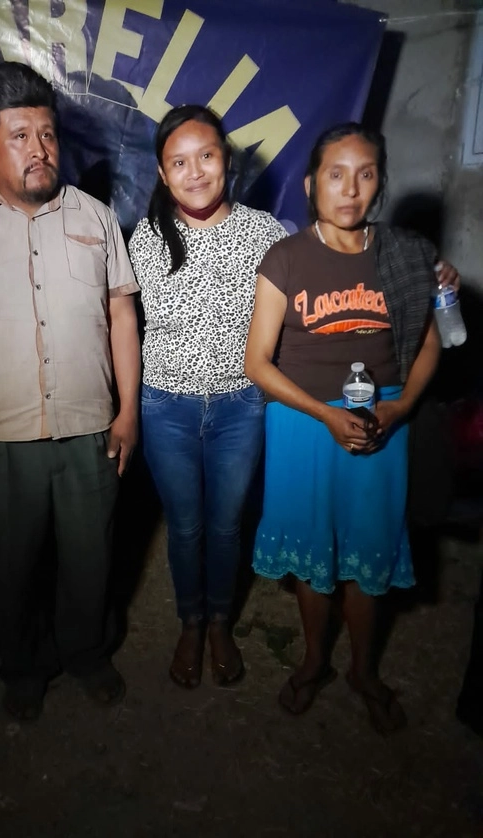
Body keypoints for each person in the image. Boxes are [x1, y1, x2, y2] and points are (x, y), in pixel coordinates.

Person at [0, 62, 140, 721]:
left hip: (88, 426)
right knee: (12, 569)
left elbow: (122, 316)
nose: (39, 148)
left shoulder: (96, 218)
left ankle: (88, 654)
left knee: (91, 560)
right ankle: (22, 667)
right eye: (19, 135)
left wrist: (128, 413)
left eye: (47, 133)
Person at [244, 122, 456, 734]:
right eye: (336, 175)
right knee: (315, 555)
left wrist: (398, 408)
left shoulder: (407, 255)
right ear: (312, 185)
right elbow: (258, 362)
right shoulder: (285, 258)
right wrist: (326, 413)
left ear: (380, 184)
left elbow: (429, 347)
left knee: (367, 554)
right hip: (305, 421)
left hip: (381, 420)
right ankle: (313, 661)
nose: (350, 189)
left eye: (365, 174)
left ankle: (364, 670)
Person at [128, 105, 287, 689]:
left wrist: (419, 270)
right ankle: (189, 622)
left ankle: (220, 620)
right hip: (163, 408)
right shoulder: (143, 238)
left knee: (225, 527)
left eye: (207, 156)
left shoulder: (266, 234)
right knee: (185, 525)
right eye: (179, 162)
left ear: (227, 161)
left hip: (239, 408)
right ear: (163, 173)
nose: (195, 172)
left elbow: (322, 276)